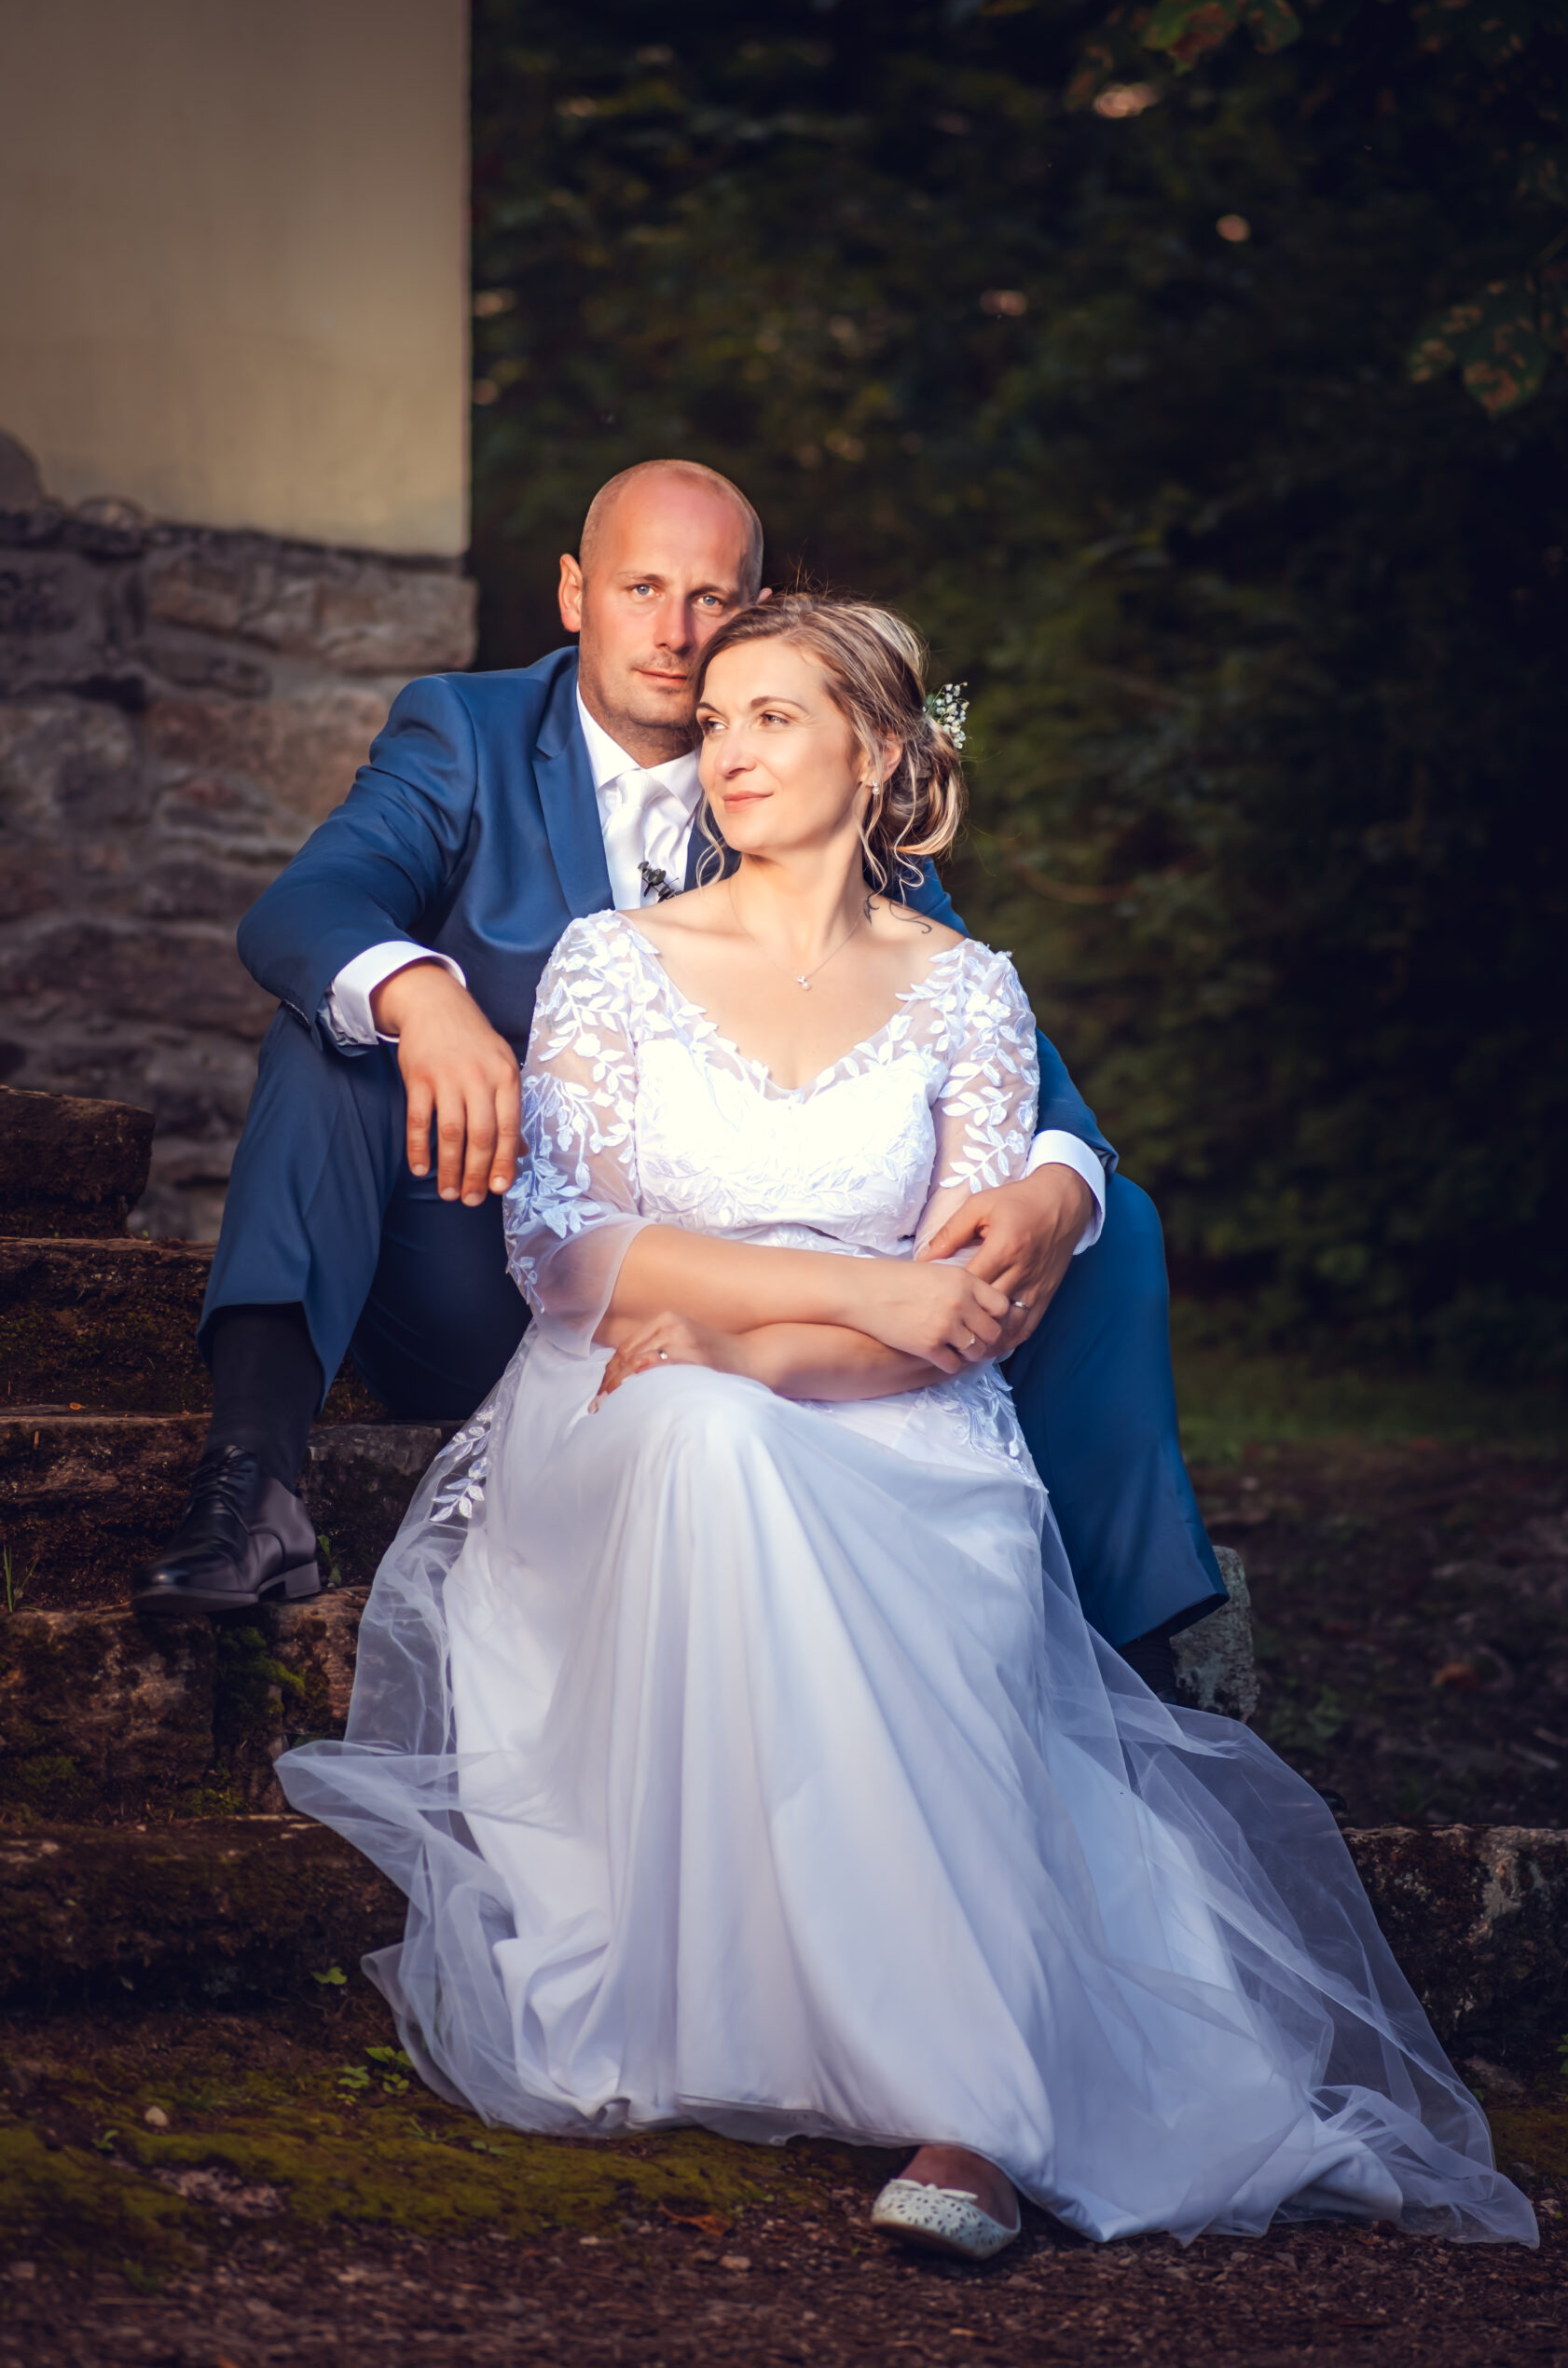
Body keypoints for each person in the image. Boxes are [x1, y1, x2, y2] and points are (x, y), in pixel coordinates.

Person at [277, 595, 1532, 2256]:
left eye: (774, 717)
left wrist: (776, 1345)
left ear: (877, 751)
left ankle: (972, 2110)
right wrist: (847, 1300)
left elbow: (965, 1313)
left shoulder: (966, 992)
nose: (728, 753)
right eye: (714, 722)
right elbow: (571, 1252)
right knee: (709, 1443)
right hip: (623, 1409)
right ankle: (965, 2096)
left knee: (759, 1438)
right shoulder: (614, 961)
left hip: (893, 1415)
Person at [131, 460, 1223, 1698]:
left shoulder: (799, 774)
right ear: (572, 594)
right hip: (498, 1267)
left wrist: (1062, 1179)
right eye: (640, 588)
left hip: (786, 1311)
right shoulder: (468, 734)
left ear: (757, 611)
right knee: (333, 1034)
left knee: (1106, 1217)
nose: (675, 631)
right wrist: (422, 993)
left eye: (713, 597)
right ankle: (252, 1479)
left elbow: (973, 1012)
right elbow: (311, 904)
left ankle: (1132, 1634)